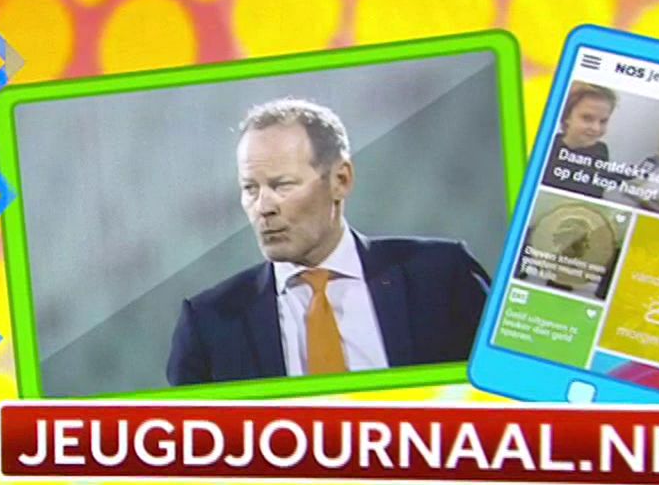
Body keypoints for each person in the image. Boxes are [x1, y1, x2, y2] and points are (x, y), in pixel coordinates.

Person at [166, 98, 490, 386]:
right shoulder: (209, 324)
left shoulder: (442, 277)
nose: (263, 207)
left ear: (340, 180)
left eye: (282, 185)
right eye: (250, 188)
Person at [541, 82, 617, 194]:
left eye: (603, 121)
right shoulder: (545, 149)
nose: (596, 128)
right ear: (566, 116)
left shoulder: (601, 149)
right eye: (587, 118)